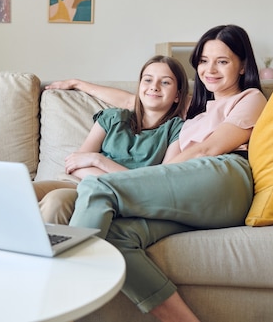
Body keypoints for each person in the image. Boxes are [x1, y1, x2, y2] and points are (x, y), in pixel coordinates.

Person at [46, 24, 267, 321]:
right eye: (203, 61)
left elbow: (208, 150)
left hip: (224, 178)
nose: (210, 69)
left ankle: (55, 294)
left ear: (242, 66)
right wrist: (79, 84)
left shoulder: (250, 98)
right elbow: (131, 100)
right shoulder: (197, 108)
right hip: (196, 196)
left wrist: (150, 177)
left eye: (222, 61)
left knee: (98, 188)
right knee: (113, 237)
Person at [34, 55, 189, 224]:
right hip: (75, 181)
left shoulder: (177, 130)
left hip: (104, 193)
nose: (154, 87)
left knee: (56, 201)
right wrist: (116, 175)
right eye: (148, 80)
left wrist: (98, 160)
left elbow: (155, 184)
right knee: (18, 190)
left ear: (177, 96)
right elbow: (74, 165)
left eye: (165, 82)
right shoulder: (113, 117)